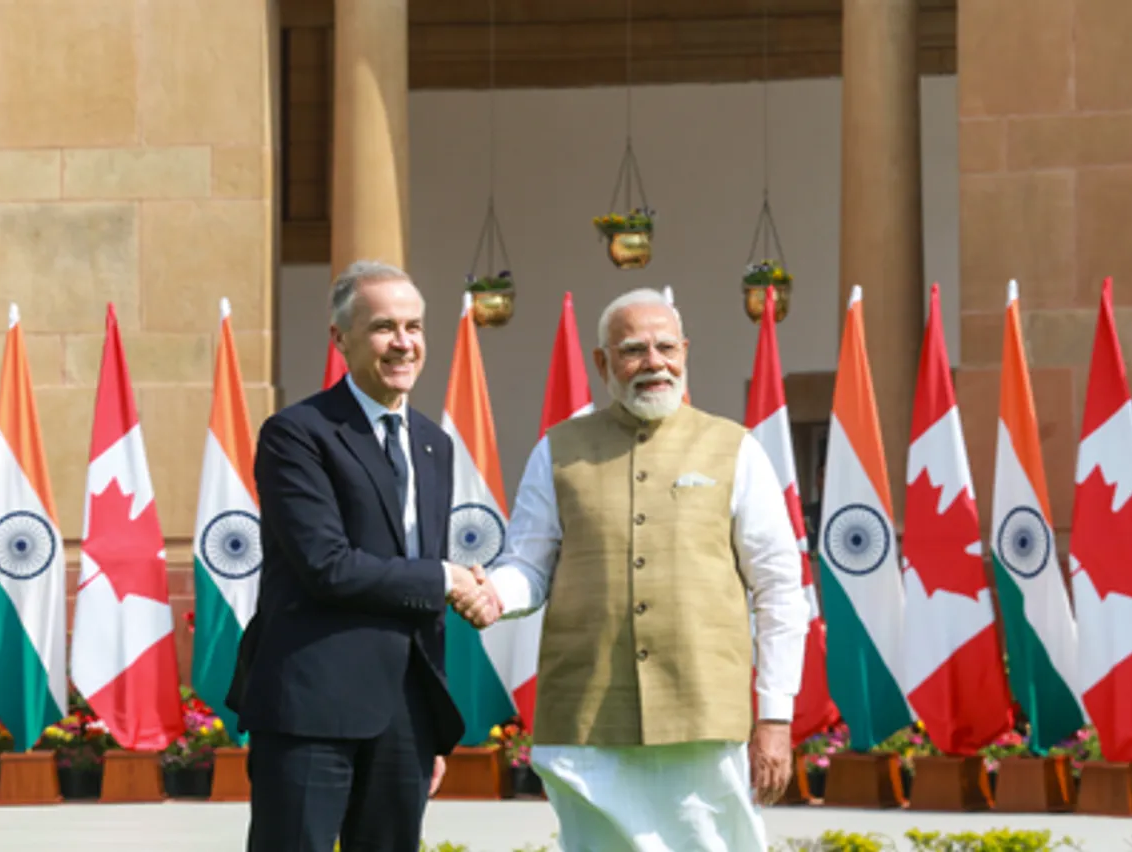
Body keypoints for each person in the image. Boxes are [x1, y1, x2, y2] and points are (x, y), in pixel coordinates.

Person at [454, 287, 809, 851]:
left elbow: (780, 590)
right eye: (633, 350)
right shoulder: (558, 450)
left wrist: (775, 716)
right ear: (602, 363)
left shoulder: (736, 449)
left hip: (702, 714)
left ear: (685, 352)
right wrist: (495, 593)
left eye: (665, 347)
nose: (653, 363)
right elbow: (527, 563)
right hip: (587, 717)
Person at [227, 260, 483, 852]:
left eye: (414, 327)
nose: (404, 343)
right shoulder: (297, 434)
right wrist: (445, 578)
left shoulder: (434, 444)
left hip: (405, 716)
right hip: (311, 709)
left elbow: (421, 588)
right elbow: (327, 565)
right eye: (384, 327)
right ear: (340, 338)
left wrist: (428, 724)